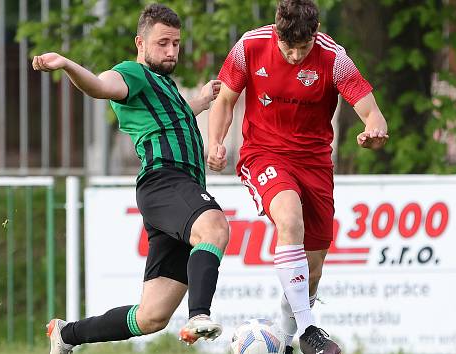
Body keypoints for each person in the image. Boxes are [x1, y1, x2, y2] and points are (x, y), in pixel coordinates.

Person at [32, 4, 229, 354]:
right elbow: (98, 85)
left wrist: (199, 102)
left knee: (152, 317)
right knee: (214, 227)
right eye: (162, 43)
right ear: (141, 42)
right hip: (165, 181)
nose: (171, 51)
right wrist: (66, 65)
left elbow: (176, 119)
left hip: (178, 191)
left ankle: (66, 334)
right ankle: (199, 315)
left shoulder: (164, 87)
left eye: (176, 44)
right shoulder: (132, 73)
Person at [207, 0, 388, 353]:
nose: (293, 55)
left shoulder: (334, 58)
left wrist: (375, 131)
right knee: (289, 217)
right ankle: (309, 329)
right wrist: (214, 142)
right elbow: (226, 100)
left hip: (316, 165)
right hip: (264, 155)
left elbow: (372, 112)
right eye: (286, 46)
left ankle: (287, 343)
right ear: (276, 33)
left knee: (313, 270)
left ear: (315, 35)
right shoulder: (249, 47)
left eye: (302, 48)